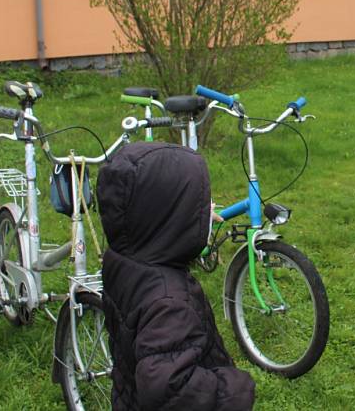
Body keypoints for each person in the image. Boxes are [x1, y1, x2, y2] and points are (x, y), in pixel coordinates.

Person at [97, 142, 255, 410]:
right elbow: (171, 390)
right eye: (201, 204)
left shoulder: (124, 259)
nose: (210, 208)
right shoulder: (170, 304)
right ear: (170, 218)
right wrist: (233, 389)